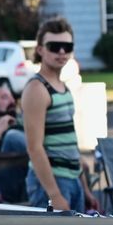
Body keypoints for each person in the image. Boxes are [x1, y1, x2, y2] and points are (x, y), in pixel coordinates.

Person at [21, 19, 83, 211]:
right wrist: (54, 195)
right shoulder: (37, 89)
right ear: (40, 50)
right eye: (54, 46)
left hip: (73, 180)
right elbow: (34, 148)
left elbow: (70, 140)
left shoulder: (63, 86)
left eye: (67, 46)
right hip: (52, 184)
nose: (62, 52)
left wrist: (85, 188)